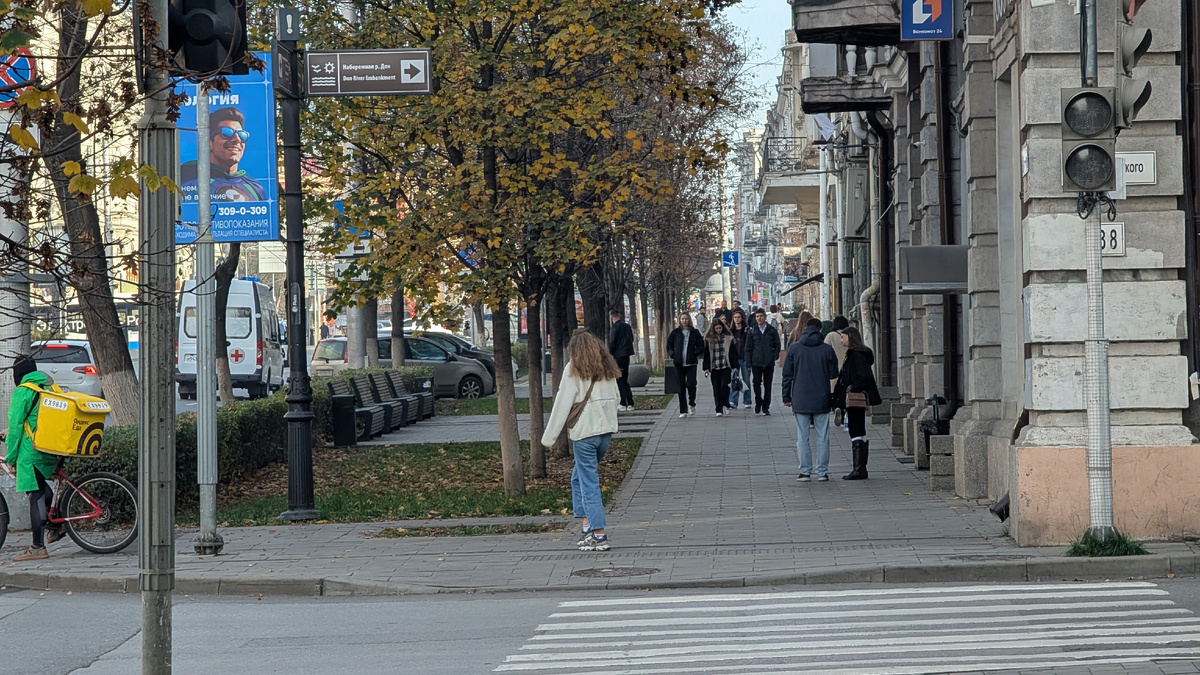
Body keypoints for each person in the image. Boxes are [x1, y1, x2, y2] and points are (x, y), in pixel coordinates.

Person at [542, 329, 621, 552]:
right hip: (604, 433)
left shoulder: (572, 370)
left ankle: (599, 533)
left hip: (584, 434)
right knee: (578, 477)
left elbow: (562, 405)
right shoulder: (608, 369)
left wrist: (550, 438)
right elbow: (617, 398)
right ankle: (586, 527)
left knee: (588, 483)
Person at [2, 356, 65, 562]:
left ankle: (38, 547)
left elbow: (17, 426)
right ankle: (56, 524)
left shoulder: (23, 391)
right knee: (40, 489)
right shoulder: (49, 386)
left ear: (17, 374)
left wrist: (11, 457)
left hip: (33, 452)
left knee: (35, 495)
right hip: (52, 448)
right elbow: (36, 419)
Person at [781, 318, 840, 481]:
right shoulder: (827, 349)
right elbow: (833, 373)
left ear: (805, 328)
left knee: (802, 437)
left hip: (800, 398)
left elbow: (787, 375)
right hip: (822, 397)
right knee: (823, 436)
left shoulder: (794, 348)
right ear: (820, 330)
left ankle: (805, 471)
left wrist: (786, 396)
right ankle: (822, 472)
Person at [180, 106, 268, 204]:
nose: (237, 139)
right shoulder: (183, 177)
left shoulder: (256, 189)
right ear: (208, 142)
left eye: (242, 135)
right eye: (227, 133)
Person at [834, 326, 883, 480]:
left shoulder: (857, 355)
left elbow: (864, 377)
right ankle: (860, 468)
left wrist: (851, 388)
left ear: (851, 337)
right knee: (858, 430)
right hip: (853, 399)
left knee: (856, 430)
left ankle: (859, 469)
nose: (841, 339)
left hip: (855, 399)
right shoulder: (854, 354)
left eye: (843, 336)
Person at [743, 308, 782, 416]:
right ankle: (758, 401)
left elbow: (777, 344)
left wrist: (774, 355)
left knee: (768, 385)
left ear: (765, 317)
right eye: (757, 316)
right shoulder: (752, 331)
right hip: (756, 362)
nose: (759, 318)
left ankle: (766, 406)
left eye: (761, 316)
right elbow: (748, 348)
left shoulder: (771, 330)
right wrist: (748, 362)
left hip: (769, 362)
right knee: (756, 383)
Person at [666, 311, 704, 418]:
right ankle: (683, 410)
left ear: (689, 320)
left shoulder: (695, 333)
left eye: (686, 319)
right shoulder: (675, 333)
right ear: (679, 320)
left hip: (691, 363)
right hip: (679, 363)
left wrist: (694, 353)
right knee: (680, 386)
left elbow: (701, 346)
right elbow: (669, 346)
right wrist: (673, 354)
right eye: (682, 319)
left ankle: (692, 403)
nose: (684, 321)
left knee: (691, 385)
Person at [702, 318, 738, 417]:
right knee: (716, 388)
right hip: (714, 367)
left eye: (720, 328)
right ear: (713, 329)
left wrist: (735, 366)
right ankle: (719, 409)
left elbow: (733, 353)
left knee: (723, 386)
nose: (718, 330)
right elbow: (706, 354)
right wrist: (706, 368)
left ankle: (725, 402)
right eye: (716, 328)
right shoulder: (709, 339)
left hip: (725, 366)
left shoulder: (728, 338)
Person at [608, 308, 636, 411]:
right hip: (626, 355)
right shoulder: (627, 326)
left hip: (618, 356)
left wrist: (610, 354)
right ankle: (630, 403)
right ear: (619, 316)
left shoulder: (615, 328)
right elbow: (631, 339)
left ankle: (623, 403)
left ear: (611, 317)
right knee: (625, 379)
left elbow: (613, 342)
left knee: (620, 380)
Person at [825, 316, 850, 425]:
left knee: (835, 393)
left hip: (834, 370)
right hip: (848, 369)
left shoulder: (831, 336)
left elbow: (825, 350)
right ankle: (844, 412)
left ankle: (835, 408)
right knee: (846, 393)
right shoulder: (851, 335)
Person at [726, 308, 752, 409]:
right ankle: (733, 400)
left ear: (742, 318)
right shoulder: (730, 331)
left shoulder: (747, 330)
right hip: (734, 359)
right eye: (735, 317)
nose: (737, 319)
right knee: (734, 380)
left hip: (745, 358)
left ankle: (747, 400)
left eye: (739, 317)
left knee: (746, 380)